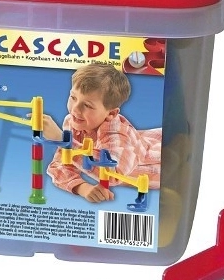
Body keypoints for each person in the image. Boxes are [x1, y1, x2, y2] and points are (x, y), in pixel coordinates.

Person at [45, 63, 161, 203]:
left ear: (111, 113)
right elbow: (59, 165)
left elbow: (112, 173)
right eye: (73, 97)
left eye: (87, 105)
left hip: (160, 159)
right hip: (143, 141)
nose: (75, 109)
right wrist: (83, 187)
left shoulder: (118, 134)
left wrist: (63, 140)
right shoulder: (74, 121)